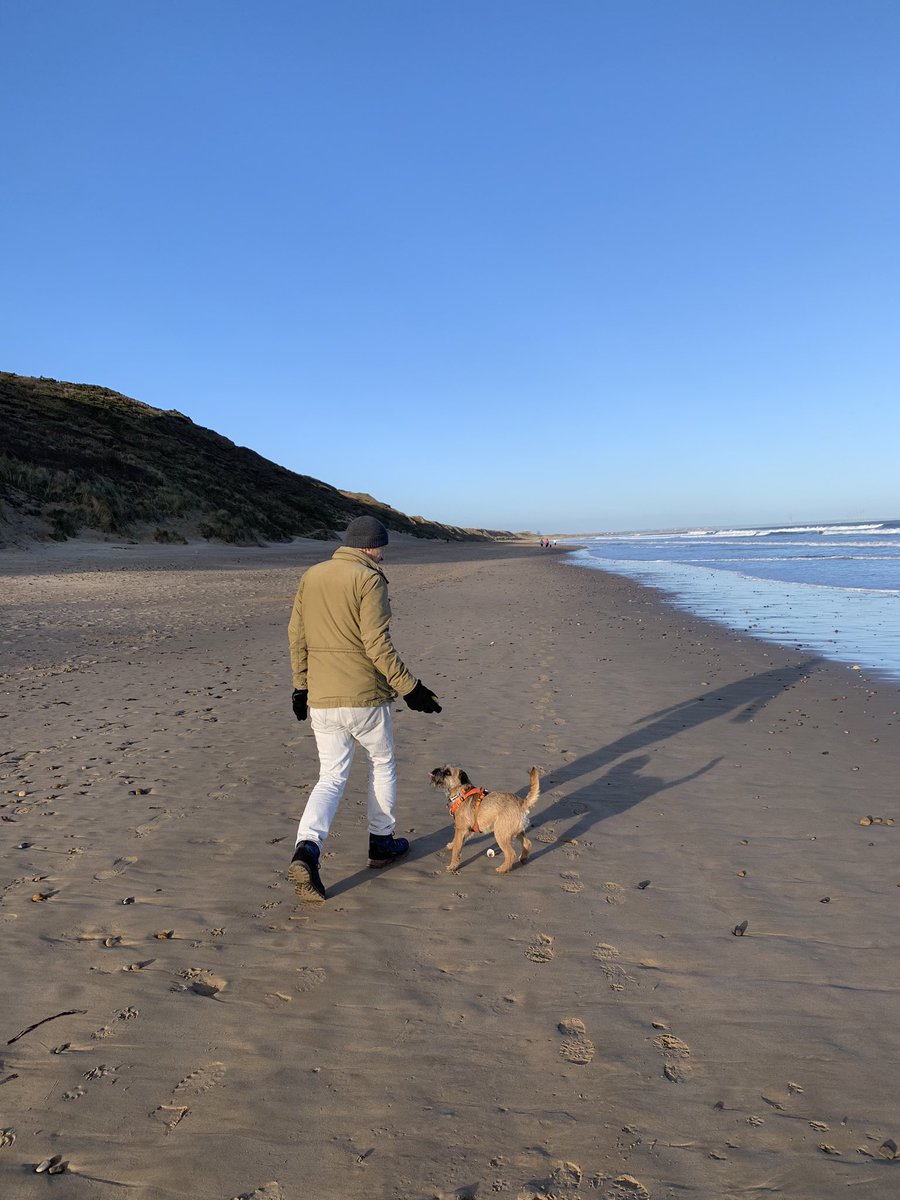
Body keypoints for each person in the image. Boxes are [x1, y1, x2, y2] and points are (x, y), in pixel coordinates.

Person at [287, 515, 441, 903]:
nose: (383, 556)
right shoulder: (369, 579)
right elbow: (377, 643)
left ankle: (307, 849)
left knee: (330, 777)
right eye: (381, 548)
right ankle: (381, 842)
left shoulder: (312, 576)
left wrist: (300, 687)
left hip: (322, 697)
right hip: (364, 697)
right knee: (382, 763)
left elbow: (297, 636)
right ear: (370, 546)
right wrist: (411, 688)